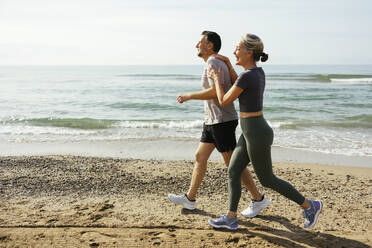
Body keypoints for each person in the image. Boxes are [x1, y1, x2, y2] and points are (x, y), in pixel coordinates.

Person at [207, 33, 322, 230]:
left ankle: (310, 206)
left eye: (237, 48)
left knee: (267, 179)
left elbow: (225, 100)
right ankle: (231, 217)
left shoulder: (247, 76)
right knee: (233, 171)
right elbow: (238, 82)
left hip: (257, 133)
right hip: (251, 131)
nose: (234, 51)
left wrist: (217, 78)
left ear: (249, 52)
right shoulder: (255, 73)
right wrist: (227, 61)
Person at [168, 31, 270, 218]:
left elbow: (217, 93)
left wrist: (189, 96)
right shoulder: (215, 62)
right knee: (200, 156)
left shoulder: (213, 63)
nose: (196, 45)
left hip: (221, 121)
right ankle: (189, 199)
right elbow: (232, 83)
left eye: (200, 42)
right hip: (212, 120)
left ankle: (258, 198)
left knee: (233, 164)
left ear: (210, 45)